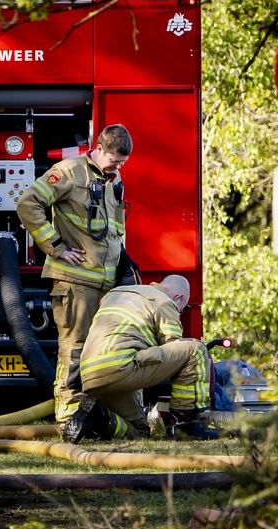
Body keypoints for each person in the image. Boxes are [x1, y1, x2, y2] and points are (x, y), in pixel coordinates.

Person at [15, 124, 135, 425]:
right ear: (100, 149)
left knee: (104, 347)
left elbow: (113, 228)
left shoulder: (112, 177)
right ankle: (69, 412)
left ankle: (96, 411)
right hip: (75, 281)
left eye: (122, 163)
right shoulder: (68, 171)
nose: (118, 167)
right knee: (75, 347)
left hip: (104, 283)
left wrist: (123, 263)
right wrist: (56, 247)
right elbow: (28, 204)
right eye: (115, 160)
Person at [60, 275, 220, 442]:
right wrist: (201, 407)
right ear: (178, 297)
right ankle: (187, 426)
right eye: (182, 308)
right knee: (195, 349)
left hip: (90, 374)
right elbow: (176, 349)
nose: (179, 312)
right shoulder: (164, 301)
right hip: (121, 368)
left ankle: (99, 419)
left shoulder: (116, 293)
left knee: (140, 430)